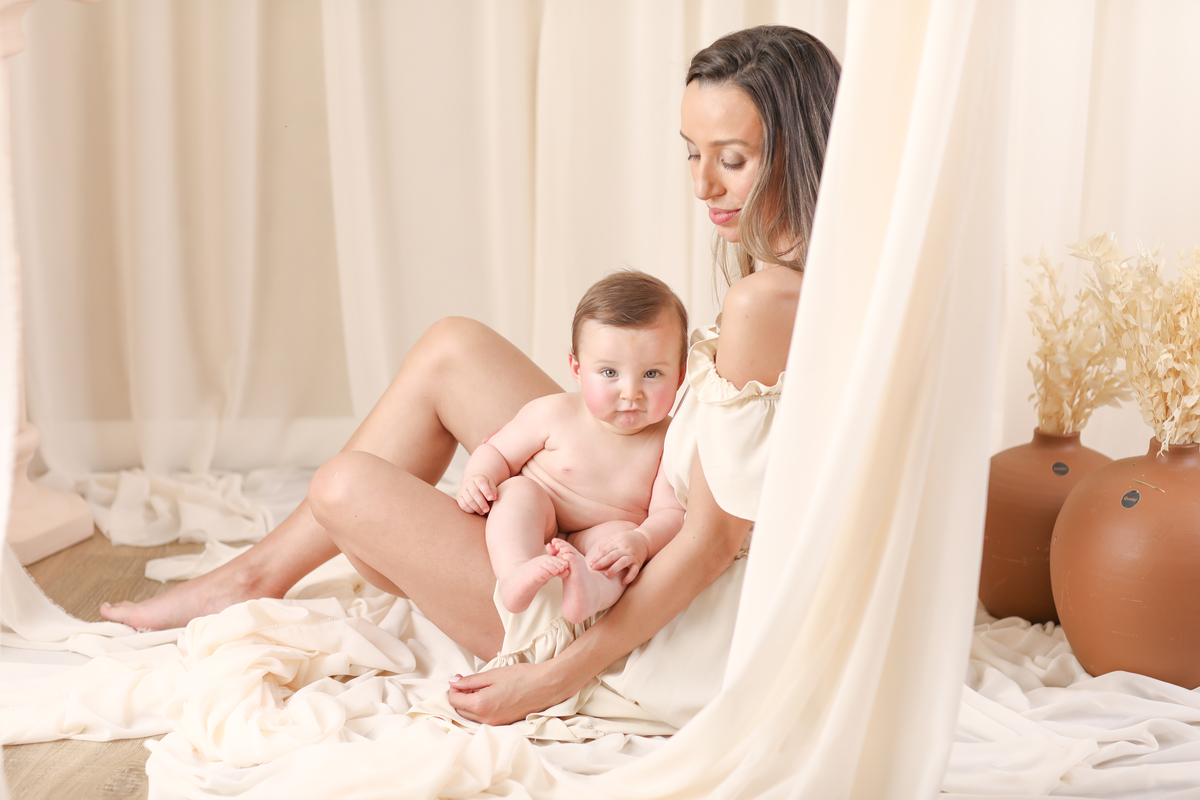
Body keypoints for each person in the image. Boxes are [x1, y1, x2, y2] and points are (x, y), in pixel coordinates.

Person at [100, 24, 840, 729]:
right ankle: (256, 575)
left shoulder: (764, 302)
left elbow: (711, 544)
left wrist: (554, 676)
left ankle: (297, 577)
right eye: (691, 153)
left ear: (796, 151)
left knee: (344, 488)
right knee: (452, 347)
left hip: (655, 613)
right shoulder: (803, 265)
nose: (704, 185)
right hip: (638, 494)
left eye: (732, 159)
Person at [458, 272, 688, 626]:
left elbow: (670, 514)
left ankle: (590, 592)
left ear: (681, 374)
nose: (630, 392)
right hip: (542, 512)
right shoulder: (552, 412)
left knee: (618, 549)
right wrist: (478, 476)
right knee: (516, 492)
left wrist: (640, 540)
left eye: (652, 374)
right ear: (577, 370)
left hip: (605, 530)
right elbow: (498, 452)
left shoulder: (669, 441)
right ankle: (515, 573)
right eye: (610, 372)